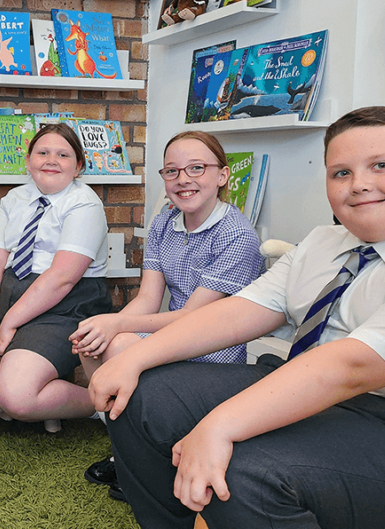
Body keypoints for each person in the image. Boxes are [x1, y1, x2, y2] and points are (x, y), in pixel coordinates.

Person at [90, 106, 385, 529]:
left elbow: (349, 368)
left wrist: (218, 425)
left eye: (381, 166)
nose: (360, 185)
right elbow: (241, 310)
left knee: (244, 474)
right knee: (143, 392)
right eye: (341, 173)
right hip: (321, 399)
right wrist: (132, 359)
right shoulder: (325, 241)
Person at [71, 131, 263, 500]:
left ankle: (144, 461)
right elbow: (147, 298)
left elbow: (194, 318)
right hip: (175, 337)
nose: (183, 179)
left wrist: (119, 325)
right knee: (95, 342)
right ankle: (129, 452)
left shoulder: (238, 237)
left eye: (196, 168)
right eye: (172, 171)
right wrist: (106, 327)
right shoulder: (164, 223)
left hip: (213, 351)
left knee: (122, 343)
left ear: (222, 176)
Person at [0, 123, 111, 424]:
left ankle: (99, 404)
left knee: (16, 398)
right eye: (43, 152)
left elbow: (62, 278)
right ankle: (5, 373)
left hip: (63, 304)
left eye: (63, 155)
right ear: (28, 161)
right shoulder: (15, 199)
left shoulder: (85, 204)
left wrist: (7, 325)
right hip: (10, 294)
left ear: (78, 166)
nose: (51, 160)